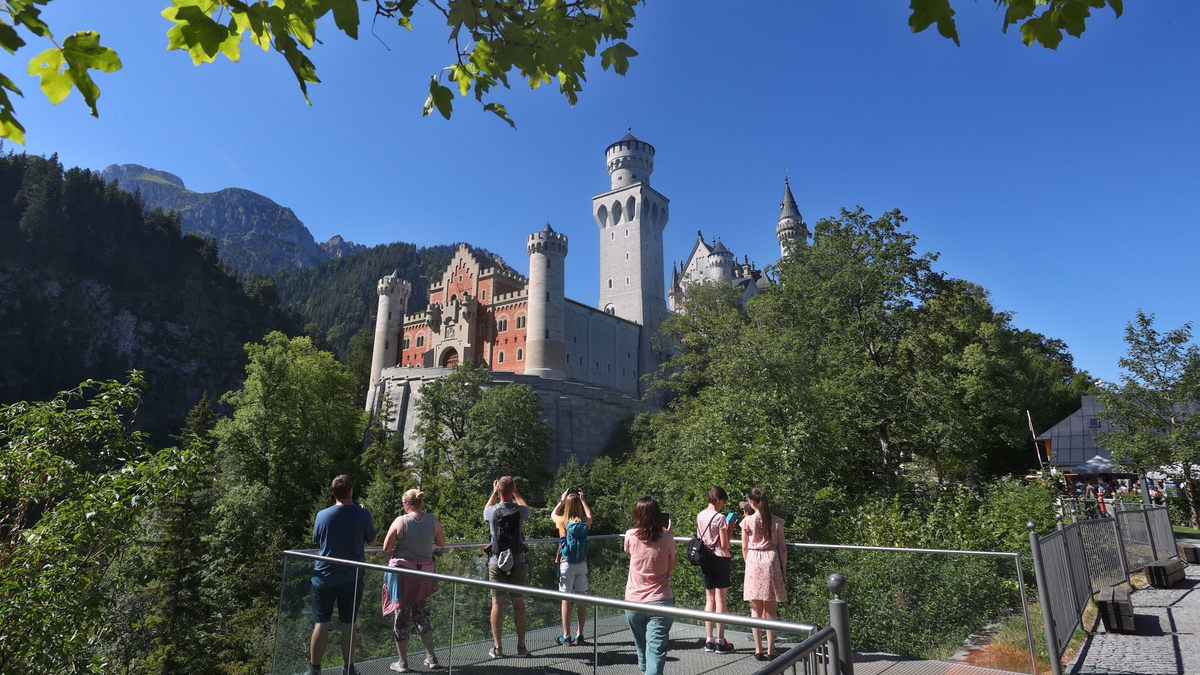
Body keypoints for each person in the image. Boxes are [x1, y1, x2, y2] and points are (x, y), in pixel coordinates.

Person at [308, 475, 377, 675]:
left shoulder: (322, 515)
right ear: (351, 491)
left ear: (334, 493)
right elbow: (372, 541)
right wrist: (361, 513)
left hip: (324, 576)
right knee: (349, 623)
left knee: (321, 623)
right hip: (351, 577)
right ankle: (348, 669)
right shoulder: (363, 515)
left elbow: (317, 539)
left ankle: (314, 669)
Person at [381, 488, 446, 673]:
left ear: (408, 504)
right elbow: (441, 543)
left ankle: (402, 662)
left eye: (403, 503)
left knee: (401, 616)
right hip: (424, 574)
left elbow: (386, 548)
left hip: (402, 575)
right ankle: (431, 657)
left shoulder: (401, 521)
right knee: (420, 614)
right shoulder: (432, 519)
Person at [624, 495, 677, 675]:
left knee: (641, 647)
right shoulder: (667, 538)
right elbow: (673, 563)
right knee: (655, 650)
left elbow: (630, 551)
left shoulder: (630, 535)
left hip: (633, 601)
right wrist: (667, 534)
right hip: (660, 600)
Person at [483, 476, 531, 659]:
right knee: (519, 604)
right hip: (517, 561)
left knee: (497, 605)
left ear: (498, 489)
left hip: (496, 562)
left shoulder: (492, 511)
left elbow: (485, 510)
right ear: (513, 489)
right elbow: (526, 508)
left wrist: (494, 493)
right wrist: (516, 493)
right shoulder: (520, 511)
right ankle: (521, 647)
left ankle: (498, 648)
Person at [740, 488, 787, 661]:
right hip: (771, 561)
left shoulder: (747, 521)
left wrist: (749, 563)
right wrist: (783, 570)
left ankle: (758, 649)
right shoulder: (776, 521)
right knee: (770, 609)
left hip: (753, 560)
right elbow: (783, 548)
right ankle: (771, 649)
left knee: (756, 607)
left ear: (752, 503)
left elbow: (744, 547)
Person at [551, 488, 594, 645]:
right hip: (582, 563)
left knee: (566, 600)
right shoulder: (584, 522)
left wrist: (562, 500)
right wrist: (583, 500)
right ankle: (580, 634)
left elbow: (553, 514)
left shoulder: (562, 521)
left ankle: (566, 636)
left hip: (566, 563)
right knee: (581, 599)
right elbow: (590, 516)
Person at [696, 486, 734, 654]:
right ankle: (720, 640)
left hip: (706, 559)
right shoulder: (720, 518)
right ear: (719, 500)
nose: (722, 506)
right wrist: (730, 527)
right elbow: (725, 545)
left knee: (709, 599)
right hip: (720, 559)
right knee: (721, 600)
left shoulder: (700, 515)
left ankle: (709, 639)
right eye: (723, 502)